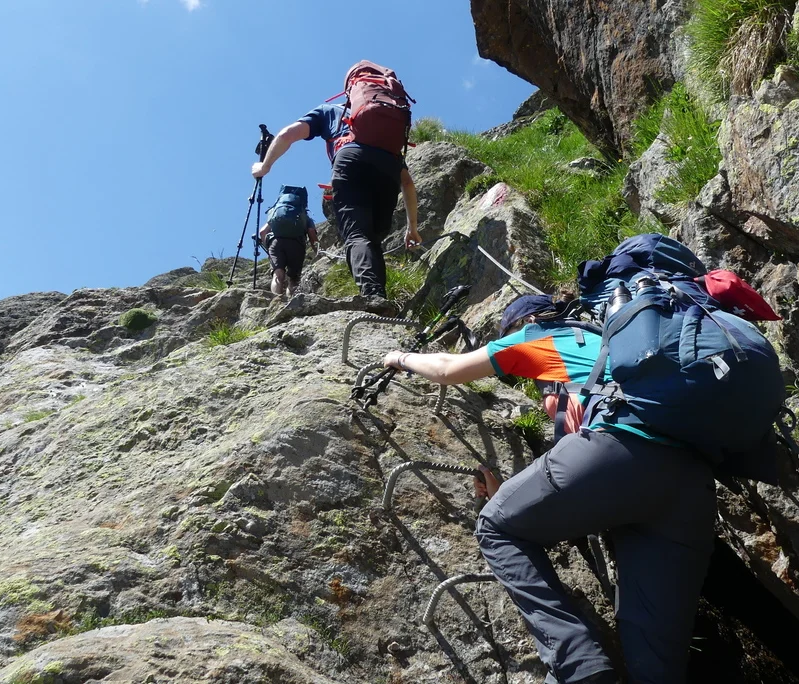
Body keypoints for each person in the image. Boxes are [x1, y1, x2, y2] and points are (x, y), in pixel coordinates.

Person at [381, 294, 716, 684]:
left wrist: (399, 358)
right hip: (692, 482)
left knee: (496, 526)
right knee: (654, 664)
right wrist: (516, 491)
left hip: (616, 451)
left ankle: (580, 668)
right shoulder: (613, 340)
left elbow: (446, 368)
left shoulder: (541, 336)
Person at [251, 63, 420, 299]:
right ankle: (379, 296)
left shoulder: (329, 111)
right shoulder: (387, 127)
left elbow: (287, 134)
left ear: (349, 88)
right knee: (372, 239)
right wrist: (412, 228)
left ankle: (374, 297)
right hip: (389, 166)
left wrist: (265, 166)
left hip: (351, 160)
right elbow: (408, 184)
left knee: (358, 236)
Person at [258, 216, 318, 298]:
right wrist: (317, 250)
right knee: (293, 278)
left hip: (276, 242)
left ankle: (276, 303)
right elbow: (311, 232)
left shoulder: (277, 214)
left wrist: (269, 249)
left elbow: (262, 232)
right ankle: (291, 303)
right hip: (296, 243)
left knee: (278, 275)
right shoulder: (305, 216)